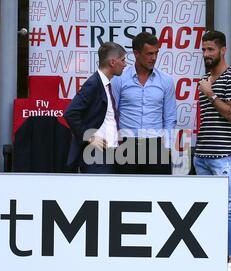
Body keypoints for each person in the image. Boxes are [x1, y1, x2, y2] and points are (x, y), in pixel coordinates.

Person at [194, 30, 231, 271]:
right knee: (205, 209)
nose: (206, 54)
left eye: (210, 49)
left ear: (223, 50)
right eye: (204, 49)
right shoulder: (205, 79)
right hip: (202, 154)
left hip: (224, 155)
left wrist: (210, 94)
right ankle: (209, 258)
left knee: (228, 208)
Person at [111, 32, 177, 174]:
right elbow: (112, 113)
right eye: (149, 54)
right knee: (124, 194)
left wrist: (168, 146)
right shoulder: (120, 79)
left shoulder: (166, 80)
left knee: (158, 194)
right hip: (126, 144)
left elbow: (170, 116)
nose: (153, 58)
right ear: (136, 53)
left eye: (156, 53)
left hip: (156, 144)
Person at [64, 42, 127, 173]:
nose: (125, 64)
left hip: (109, 154)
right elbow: (70, 113)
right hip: (96, 156)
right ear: (112, 62)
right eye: (123, 60)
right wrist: (89, 137)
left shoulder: (104, 84)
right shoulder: (93, 84)